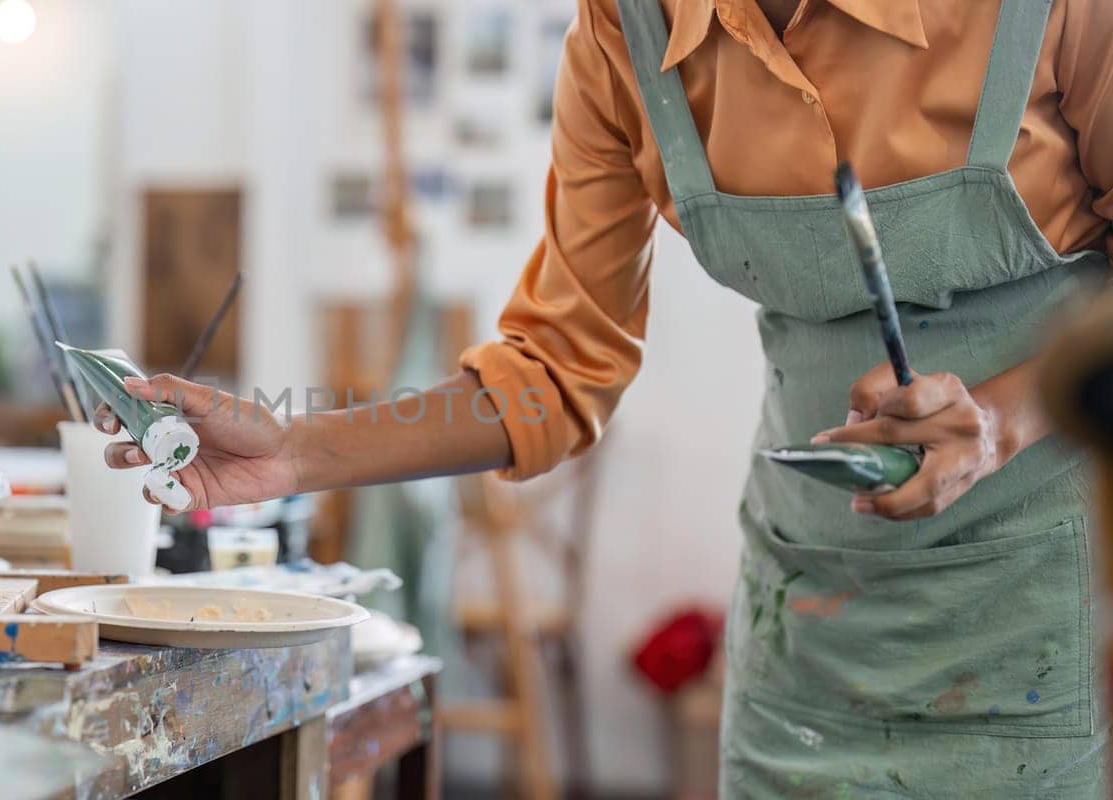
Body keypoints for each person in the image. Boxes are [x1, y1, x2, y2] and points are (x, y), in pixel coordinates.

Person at [98, 0, 1113, 794]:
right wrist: (296, 449)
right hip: (809, 622)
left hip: (1056, 616)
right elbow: (554, 367)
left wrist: (998, 416)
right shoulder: (623, 30)